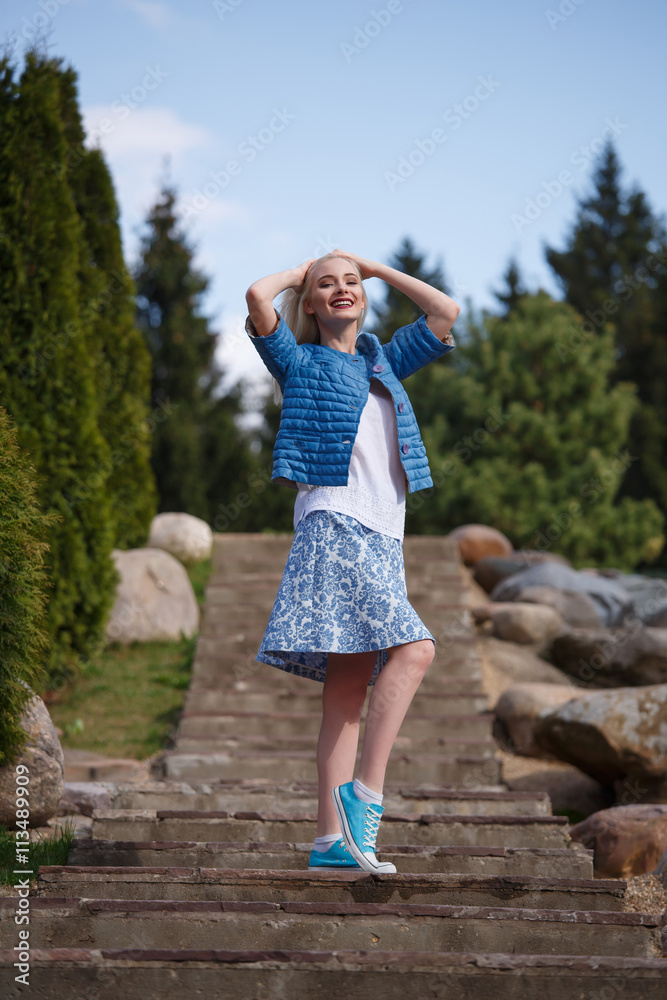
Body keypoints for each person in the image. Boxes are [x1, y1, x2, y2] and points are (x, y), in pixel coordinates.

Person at [245, 249, 459, 873]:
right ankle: (365, 802)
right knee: (416, 649)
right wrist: (302, 272)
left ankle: (329, 843)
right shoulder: (298, 359)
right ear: (311, 303)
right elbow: (259, 298)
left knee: (344, 695)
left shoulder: (383, 361)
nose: (341, 289)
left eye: (350, 284)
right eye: (326, 287)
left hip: (384, 534)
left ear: (363, 296)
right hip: (334, 523)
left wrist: (374, 268)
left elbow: (444, 312)